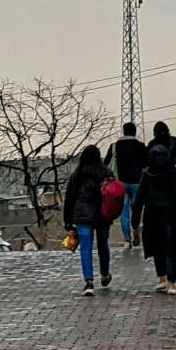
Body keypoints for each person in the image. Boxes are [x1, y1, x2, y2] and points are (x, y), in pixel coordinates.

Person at [132, 139, 176, 294]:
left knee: (157, 247)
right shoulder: (174, 173)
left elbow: (139, 199)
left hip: (152, 215)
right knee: (172, 248)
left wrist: (134, 222)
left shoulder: (146, 175)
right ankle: (171, 283)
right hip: (172, 213)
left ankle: (161, 279)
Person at [63, 143, 112, 295]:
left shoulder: (77, 176)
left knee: (86, 247)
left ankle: (89, 281)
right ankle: (104, 274)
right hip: (103, 214)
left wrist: (68, 221)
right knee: (103, 244)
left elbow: (69, 199)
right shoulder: (106, 173)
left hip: (82, 214)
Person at [108, 121, 147, 248]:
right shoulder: (141, 146)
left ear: (123, 131)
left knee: (124, 211)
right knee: (137, 209)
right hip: (138, 183)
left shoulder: (115, 146)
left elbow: (106, 164)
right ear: (135, 132)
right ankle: (136, 228)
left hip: (120, 184)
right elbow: (147, 164)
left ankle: (127, 240)